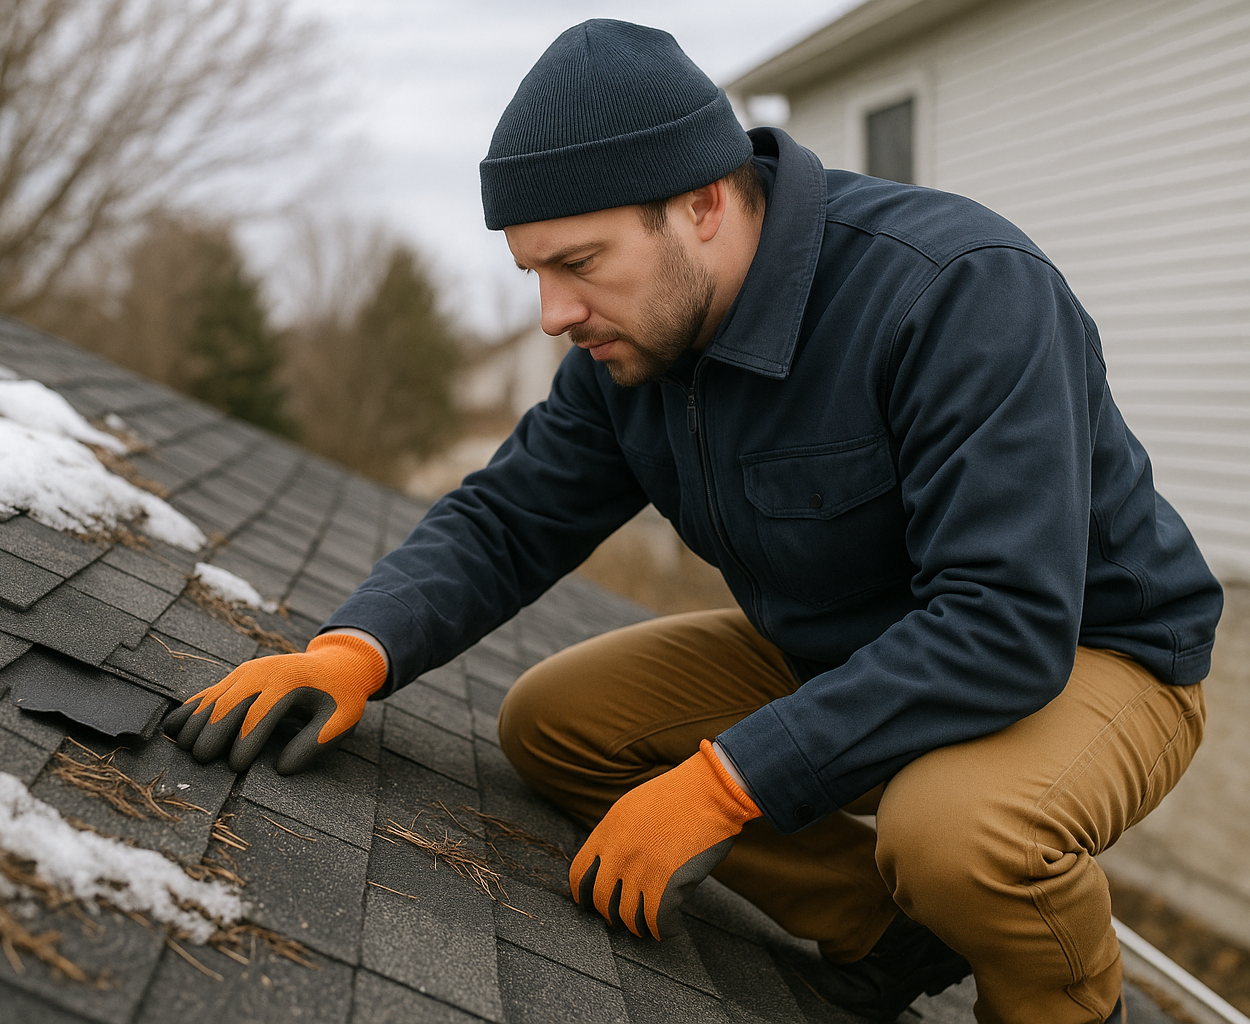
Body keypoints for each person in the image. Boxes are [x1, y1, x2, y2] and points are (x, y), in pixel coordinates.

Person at [164, 19, 1221, 1024]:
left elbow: (1005, 621)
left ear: (706, 202)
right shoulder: (631, 345)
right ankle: (885, 930)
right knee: (554, 723)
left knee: (956, 833)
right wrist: (353, 649)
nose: (554, 313)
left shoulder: (957, 291)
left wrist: (728, 784)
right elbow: (509, 517)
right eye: (534, 272)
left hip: (1090, 649)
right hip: (846, 641)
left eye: (579, 263)